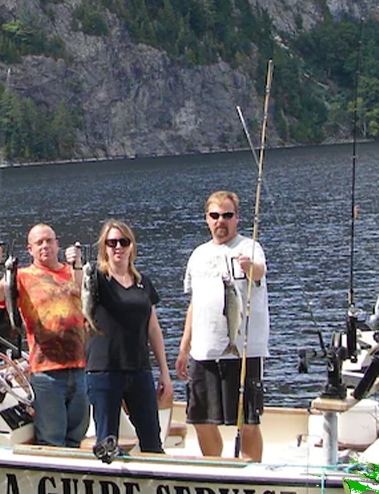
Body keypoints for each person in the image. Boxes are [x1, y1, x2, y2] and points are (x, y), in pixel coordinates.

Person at [176, 190, 268, 461]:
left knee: (248, 419)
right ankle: (215, 467)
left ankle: (253, 471)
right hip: (203, 351)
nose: (221, 221)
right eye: (215, 216)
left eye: (227, 215)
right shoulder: (198, 255)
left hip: (243, 350)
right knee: (201, 418)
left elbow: (259, 272)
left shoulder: (250, 247)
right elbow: (194, 303)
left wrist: (250, 267)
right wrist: (184, 349)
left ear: (237, 218)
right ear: (207, 219)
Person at [0, 224, 88, 447]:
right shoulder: (21, 276)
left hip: (79, 369)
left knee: (76, 438)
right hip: (46, 373)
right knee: (52, 440)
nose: (45, 246)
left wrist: (77, 263)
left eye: (49, 240)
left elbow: (86, 296)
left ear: (58, 243)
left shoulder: (74, 272)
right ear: (30, 250)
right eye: (39, 243)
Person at [84, 219, 172, 455]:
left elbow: (153, 328)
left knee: (153, 442)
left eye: (123, 242)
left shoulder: (143, 283)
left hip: (139, 369)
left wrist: (164, 372)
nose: (118, 248)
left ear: (131, 246)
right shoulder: (96, 279)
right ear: (104, 247)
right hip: (104, 370)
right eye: (112, 243)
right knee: (107, 444)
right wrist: (75, 264)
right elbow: (78, 289)